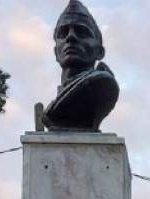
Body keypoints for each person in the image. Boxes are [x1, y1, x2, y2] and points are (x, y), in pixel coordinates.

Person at [43, 0, 119, 131]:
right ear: (56, 53)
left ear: (99, 52)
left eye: (82, 32)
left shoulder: (102, 84)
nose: (70, 37)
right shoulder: (51, 110)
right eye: (63, 33)